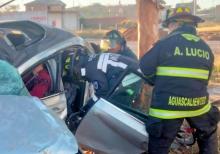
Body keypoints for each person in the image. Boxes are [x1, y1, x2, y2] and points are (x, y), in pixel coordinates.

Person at [139, 7, 219, 154]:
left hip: (166, 110)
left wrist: (159, 82)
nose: (168, 28)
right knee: (209, 130)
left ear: (175, 24)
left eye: (169, 25)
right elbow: (204, 80)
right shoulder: (206, 49)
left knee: (159, 145)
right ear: (193, 25)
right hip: (198, 106)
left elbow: (144, 67)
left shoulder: (164, 44)